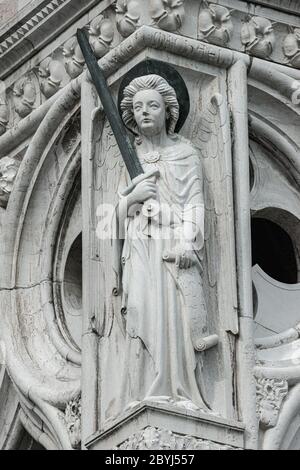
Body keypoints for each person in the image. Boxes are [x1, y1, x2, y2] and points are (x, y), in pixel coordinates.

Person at [115, 74, 209, 413]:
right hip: (139, 247)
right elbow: (108, 221)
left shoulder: (185, 153)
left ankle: (175, 387)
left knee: (173, 317)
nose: (145, 112)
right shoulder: (130, 157)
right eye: (138, 108)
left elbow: (195, 203)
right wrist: (132, 198)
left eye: (152, 105)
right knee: (139, 308)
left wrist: (187, 242)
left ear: (168, 111)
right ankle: (142, 387)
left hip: (172, 248)